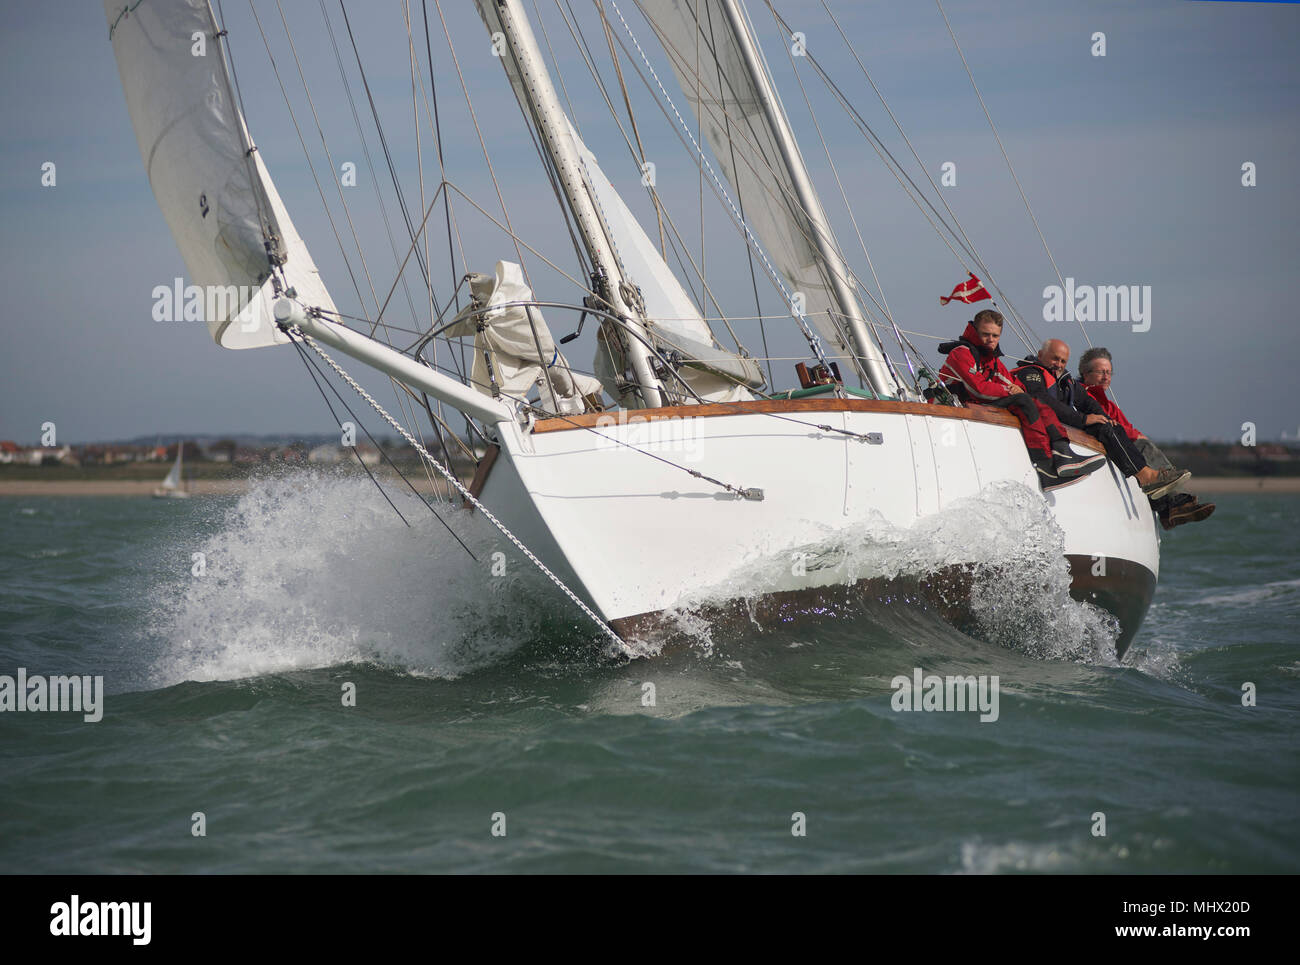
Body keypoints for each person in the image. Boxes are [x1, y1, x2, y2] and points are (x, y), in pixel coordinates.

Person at [938, 310, 1105, 491]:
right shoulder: (961, 353)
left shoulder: (992, 361)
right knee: (1024, 402)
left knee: (1034, 401)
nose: (990, 340)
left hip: (979, 404)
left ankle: (1062, 452)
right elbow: (977, 389)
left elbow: (1016, 385)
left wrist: (1018, 390)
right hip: (960, 404)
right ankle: (1046, 467)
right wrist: (1009, 391)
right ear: (975, 331)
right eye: (985, 334)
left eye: (995, 335)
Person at [1012, 339, 1188, 499]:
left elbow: (1088, 402)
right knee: (1105, 428)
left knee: (1109, 426)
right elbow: (1045, 401)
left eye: (1063, 361)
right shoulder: (1031, 374)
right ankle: (1147, 477)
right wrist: (1083, 419)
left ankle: (1152, 481)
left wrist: (1103, 418)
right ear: (1041, 355)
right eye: (1054, 359)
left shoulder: (1066, 381)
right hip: (1049, 427)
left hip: (1064, 426)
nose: (1058, 364)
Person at [1078, 347, 1215, 528]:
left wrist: (1138, 436)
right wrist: (1138, 437)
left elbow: (1126, 426)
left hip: (1117, 445)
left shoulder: (1108, 403)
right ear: (1085, 374)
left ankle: (1170, 509)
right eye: (1101, 372)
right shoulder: (1080, 394)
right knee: (1144, 446)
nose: (1106, 377)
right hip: (1098, 443)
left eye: (1109, 373)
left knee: (1144, 444)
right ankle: (1173, 505)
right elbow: (1112, 427)